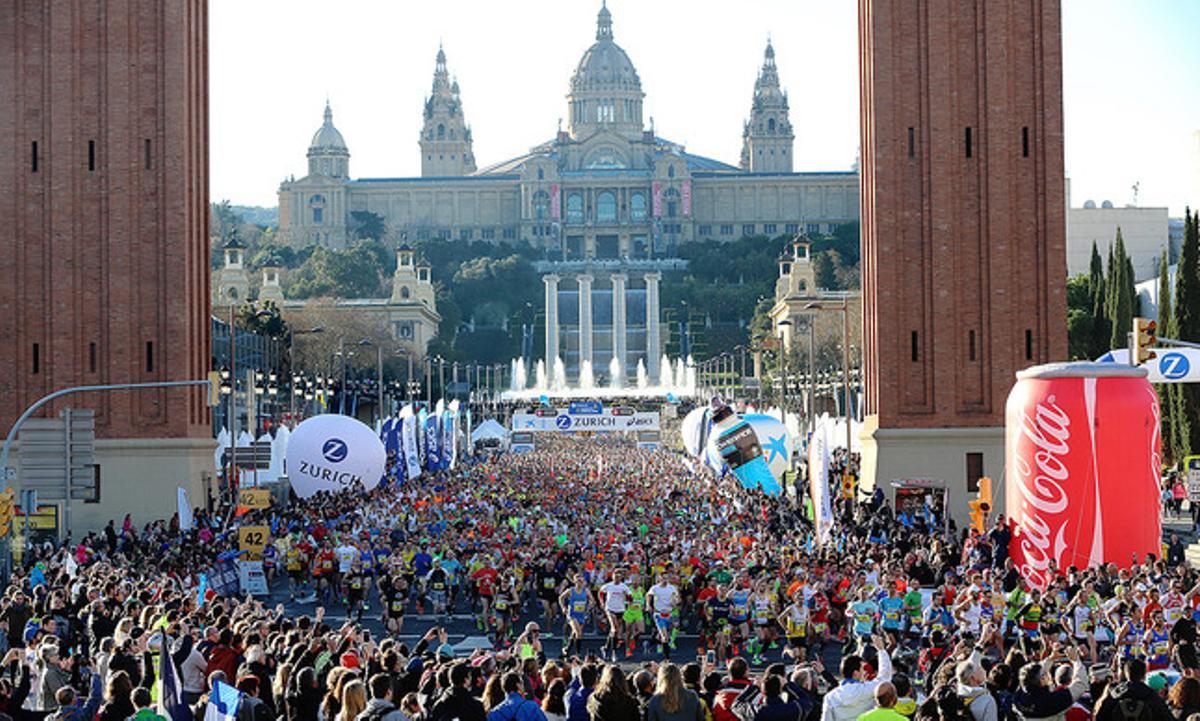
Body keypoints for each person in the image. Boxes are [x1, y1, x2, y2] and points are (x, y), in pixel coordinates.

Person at [822, 636, 894, 721]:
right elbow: (884, 679)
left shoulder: (830, 697)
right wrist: (881, 651)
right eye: (863, 669)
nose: (865, 672)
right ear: (855, 673)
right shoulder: (865, 690)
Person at [1012, 646, 1088, 721]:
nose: (1047, 674)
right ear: (1042, 680)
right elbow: (1080, 685)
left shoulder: (1019, 697)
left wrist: (1051, 658)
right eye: (1044, 674)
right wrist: (1076, 661)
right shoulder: (1051, 701)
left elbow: (1031, 674)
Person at [1093, 658, 1173, 721]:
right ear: (1144, 675)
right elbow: (1167, 717)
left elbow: (1099, 717)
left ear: (1125, 673)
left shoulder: (1116, 693)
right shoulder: (1150, 694)